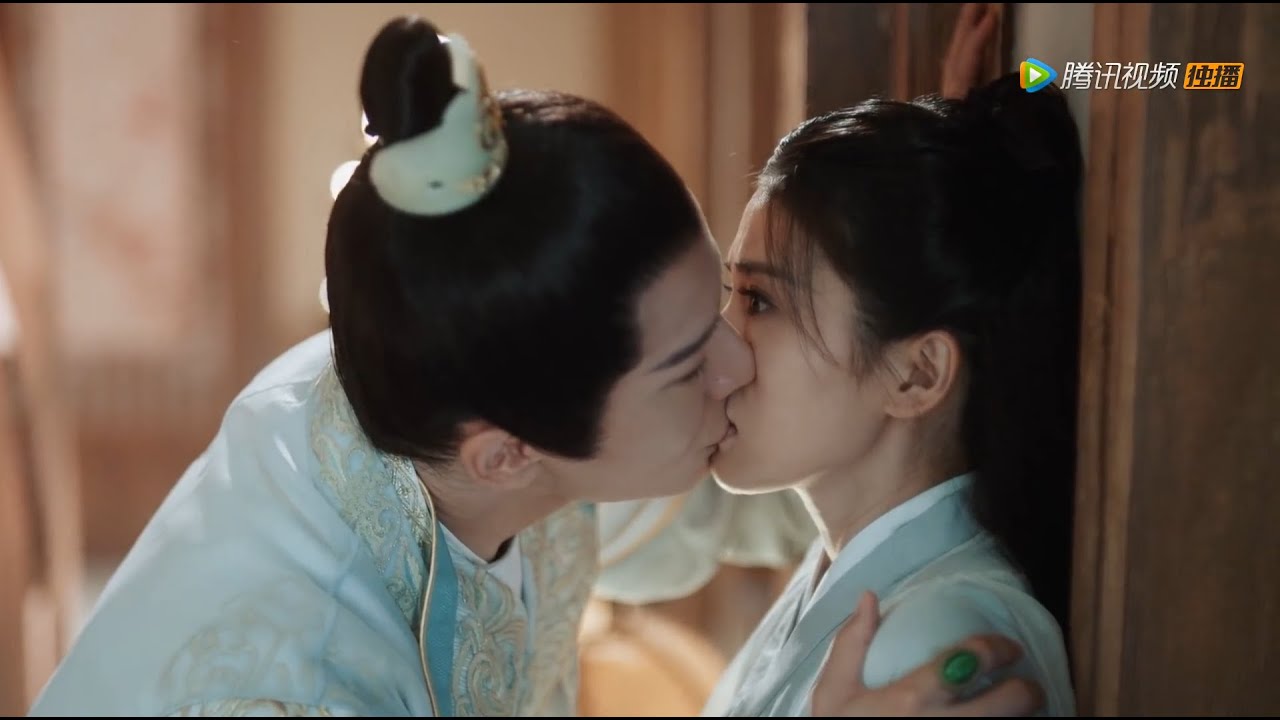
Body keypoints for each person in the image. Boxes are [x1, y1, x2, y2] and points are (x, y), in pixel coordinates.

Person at [27, 14, 1038, 718]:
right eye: (691, 360)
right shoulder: (291, 684)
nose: (738, 359)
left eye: (738, 302)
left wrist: (903, 246)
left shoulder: (471, 379)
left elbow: (767, 484)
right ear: (508, 458)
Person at [597, 69, 1083, 717]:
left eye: (760, 302)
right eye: (734, 294)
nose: (718, 350)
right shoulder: (841, 574)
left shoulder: (935, 639)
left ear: (916, 374)